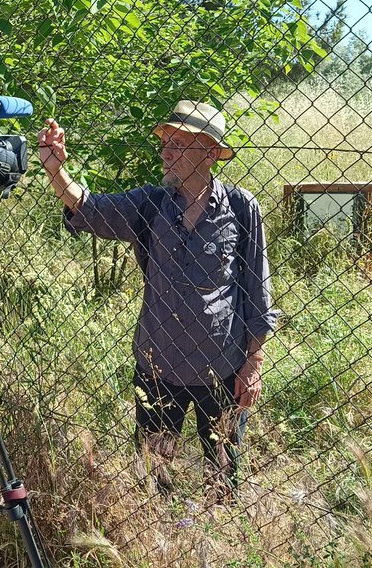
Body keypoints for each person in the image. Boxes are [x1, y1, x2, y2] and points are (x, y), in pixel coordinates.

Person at [37, 101, 277, 497]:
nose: (165, 152)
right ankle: (159, 532)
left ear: (211, 152)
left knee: (222, 474)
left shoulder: (240, 207)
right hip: (158, 367)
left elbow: (257, 289)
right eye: (165, 142)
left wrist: (253, 362)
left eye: (179, 143)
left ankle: (216, 533)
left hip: (221, 371)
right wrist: (55, 169)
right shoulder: (150, 204)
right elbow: (90, 207)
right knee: (153, 475)